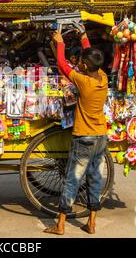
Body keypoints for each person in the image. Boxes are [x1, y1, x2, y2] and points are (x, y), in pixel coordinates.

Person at [44, 25, 108, 236]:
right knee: (95, 179)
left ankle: (60, 224)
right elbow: (92, 57)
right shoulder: (102, 78)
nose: (78, 63)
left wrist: (60, 42)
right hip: (100, 136)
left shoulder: (83, 82)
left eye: (81, 61)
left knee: (72, 179)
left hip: (84, 137)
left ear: (84, 66)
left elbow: (63, 64)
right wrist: (83, 37)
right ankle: (91, 223)